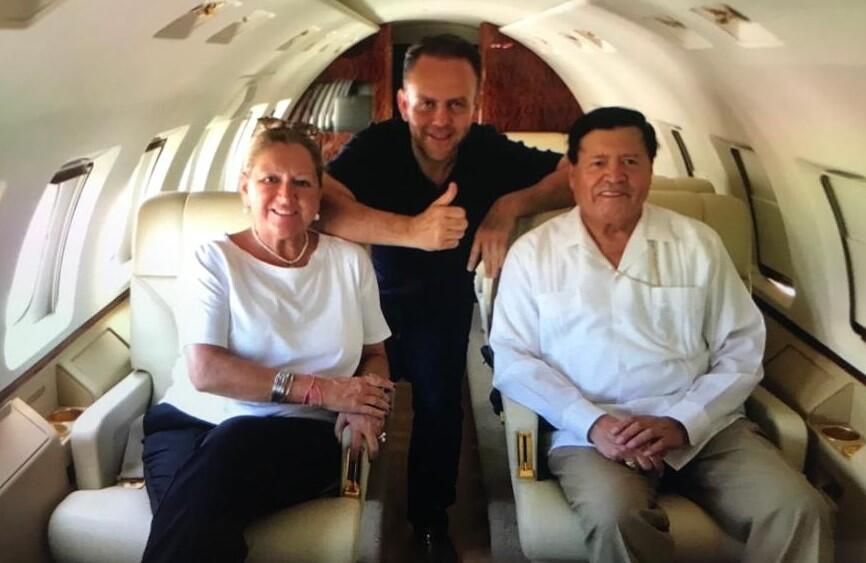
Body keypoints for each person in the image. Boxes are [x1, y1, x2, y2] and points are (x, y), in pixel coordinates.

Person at [490, 107, 833, 563]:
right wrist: (594, 424)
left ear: (650, 169)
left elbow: (741, 346)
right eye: (598, 162)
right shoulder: (533, 254)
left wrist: (682, 421)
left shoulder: (697, 244)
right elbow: (513, 358)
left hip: (702, 428)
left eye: (630, 161)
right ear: (572, 174)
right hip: (592, 434)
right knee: (615, 516)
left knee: (799, 508)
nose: (614, 176)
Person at [319, 34, 573, 557]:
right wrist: (412, 231)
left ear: (475, 106)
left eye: (456, 105)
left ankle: (430, 525)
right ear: (403, 102)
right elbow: (323, 205)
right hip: (373, 303)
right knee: (359, 401)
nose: (441, 119)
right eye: (426, 104)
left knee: (439, 413)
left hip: (445, 306)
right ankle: (334, 499)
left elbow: (575, 175)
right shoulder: (377, 146)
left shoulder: (488, 150)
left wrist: (509, 206)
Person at [140, 121, 395, 563]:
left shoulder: (350, 263)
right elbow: (206, 371)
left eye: (301, 183)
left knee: (207, 489)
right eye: (270, 179)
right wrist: (326, 389)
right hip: (190, 422)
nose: (285, 195)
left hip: (303, 431)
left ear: (319, 195)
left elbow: (375, 355)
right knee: (197, 525)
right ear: (245, 189)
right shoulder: (212, 260)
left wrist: (365, 404)